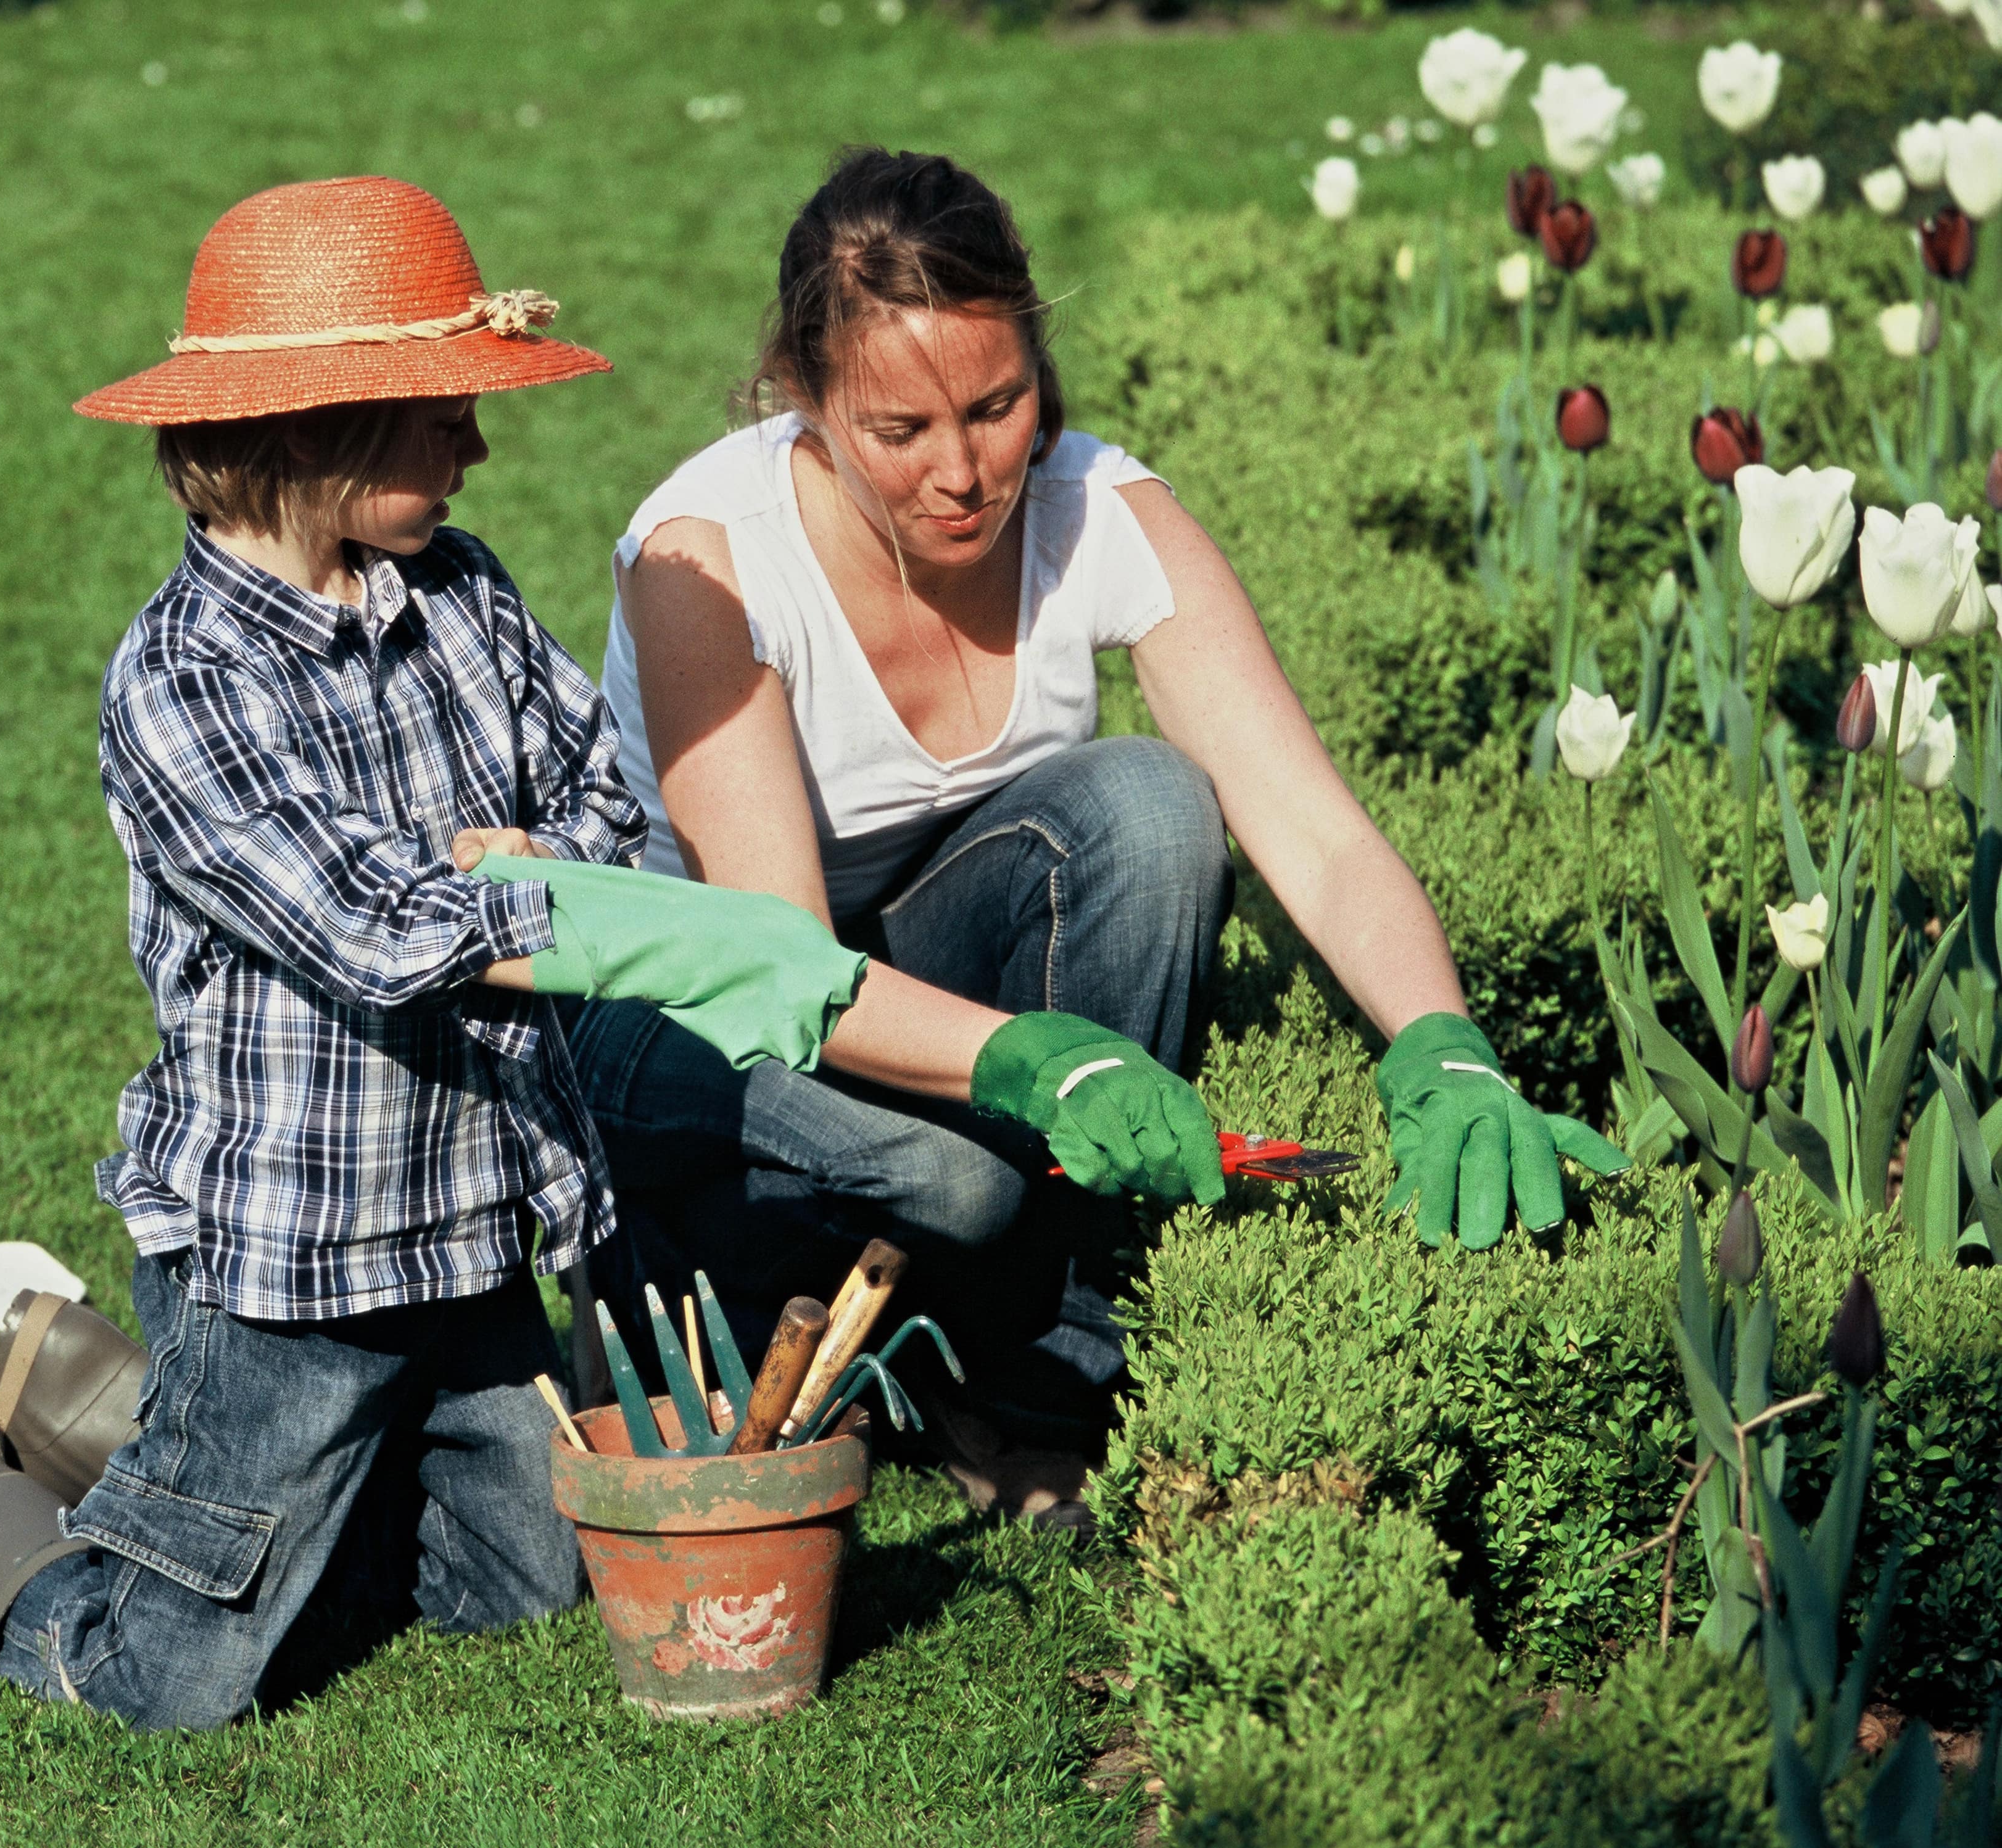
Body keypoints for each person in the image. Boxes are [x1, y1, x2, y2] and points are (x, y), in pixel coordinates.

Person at [0, 176, 1128, 1725]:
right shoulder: (181, 682)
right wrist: (535, 903)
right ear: (321, 429)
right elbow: (378, 930)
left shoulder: (463, 594)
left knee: (514, 1584)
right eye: (443, 411)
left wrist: (525, 876)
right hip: (295, 1266)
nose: (478, 445)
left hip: (466, 1237)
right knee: (175, 1675)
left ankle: (117, 1418)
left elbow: (599, 803)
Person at [575, 149, 1626, 1512]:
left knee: (1145, 801)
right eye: (901, 431)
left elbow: (1315, 834)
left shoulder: (1101, 512)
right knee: (957, 1183)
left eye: (997, 405)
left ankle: (1041, 1377)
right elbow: (780, 962)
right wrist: (1036, 1062)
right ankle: (752, 1290)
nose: (964, 472)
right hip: (690, 1007)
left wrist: (1447, 1046)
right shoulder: (710, 555)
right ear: (805, 397)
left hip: (887, 955)